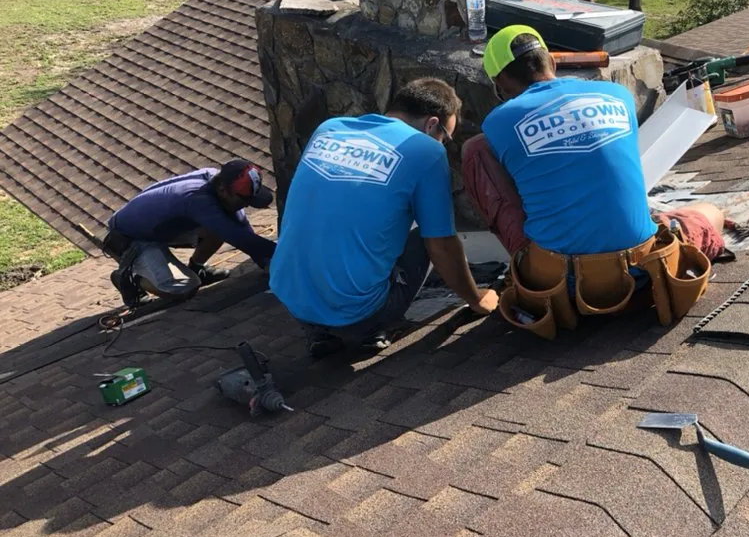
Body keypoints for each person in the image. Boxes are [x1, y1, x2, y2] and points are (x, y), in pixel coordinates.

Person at [461, 25, 727, 333]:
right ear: (553, 62)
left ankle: (525, 261)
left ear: (501, 82)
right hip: (644, 272)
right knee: (711, 214)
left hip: (559, 285)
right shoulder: (616, 94)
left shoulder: (498, 122)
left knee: (475, 150)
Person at [269, 78, 499, 357]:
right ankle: (370, 330)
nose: (443, 144)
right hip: (358, 314)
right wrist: (476, 299)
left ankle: (321, 333)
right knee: (423, 237)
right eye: (445, 137)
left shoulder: (329, 129)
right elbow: (441, 245)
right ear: (432, 124)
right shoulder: (426, 150)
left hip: (292, 300)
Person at [105, 160, 277, 306]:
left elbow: (241, 226)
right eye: (244, 200)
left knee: (222, 223)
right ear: (223, 190)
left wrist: (265, 261)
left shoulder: (218, 183)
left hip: (160, 227)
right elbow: (240, 238)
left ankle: (197, 268)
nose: (246, 205)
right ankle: (131, 279)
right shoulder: (197, 200)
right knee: (185, 288)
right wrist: (283, 255)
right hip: (130, 239)